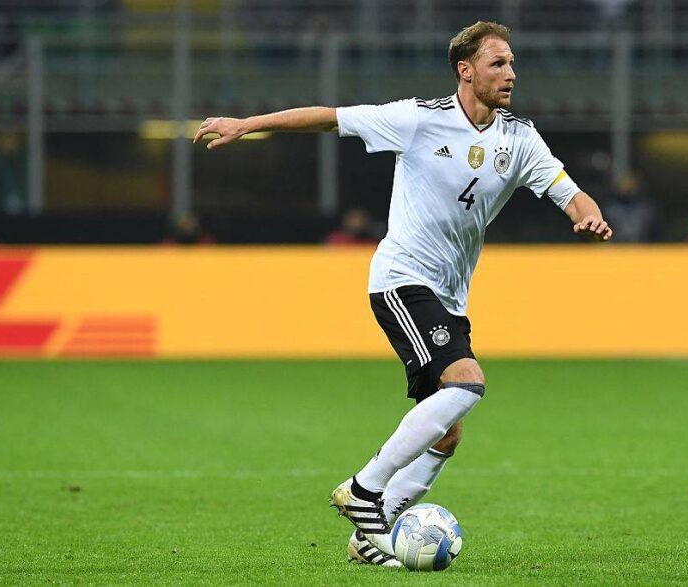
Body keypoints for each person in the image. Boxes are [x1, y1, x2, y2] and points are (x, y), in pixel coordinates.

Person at [194, 21, 613, 568]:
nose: (510, 74)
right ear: (466, 70)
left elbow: (567, 191)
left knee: (446, 434)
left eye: (511, 64)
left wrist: (590, 216)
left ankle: (370, 538)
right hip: (401, 280)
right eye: (497, 64)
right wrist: (247, 124)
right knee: (468, 382)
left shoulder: (519, 138)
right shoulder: (418, 120)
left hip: (449, 296)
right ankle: (364, 491)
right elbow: (329, 118)